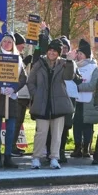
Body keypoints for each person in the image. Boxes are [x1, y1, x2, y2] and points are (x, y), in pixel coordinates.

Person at [27, 39, 76, 169]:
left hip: (58, 104)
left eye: (55, 51)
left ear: (59, 53)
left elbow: (69, 76)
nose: (52, 53)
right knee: (41, 133)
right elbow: (30, 81)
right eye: (50, 50)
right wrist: (36, 94)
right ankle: (36, 158)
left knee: (57, 133)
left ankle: (54, 158)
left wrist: (70, 61)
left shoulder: (64, 64)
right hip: (42, 104)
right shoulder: (39, 63)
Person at [0, 33, 27, 168]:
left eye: (9, 42)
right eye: (5, 41)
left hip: (11, 98)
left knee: (11, 128)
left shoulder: (17, 58)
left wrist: (13, 89)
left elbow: (23, 78)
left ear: (13, 44)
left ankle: (8, 157)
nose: (7, 44)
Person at [70, 39, 98, 158]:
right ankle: (77, 147)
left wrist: (77, 87)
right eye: (78, 54)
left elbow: (93, 85)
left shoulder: (94, 67)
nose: (78, 56)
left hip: (88, 101)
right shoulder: (74, 66)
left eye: (80, 54)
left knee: (87, 125)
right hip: (76, 101)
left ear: (86, 55)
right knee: (76, 125)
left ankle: (86, 148)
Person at [11, 32, 31, 157]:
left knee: (19, 121)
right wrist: (24, 62)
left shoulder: (20, 56)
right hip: (17, 94)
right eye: (21, 46)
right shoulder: (13, 57)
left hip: (25, 94)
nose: (23, 48)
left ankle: (14, 145)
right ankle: (11, 146)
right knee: (16, 121)